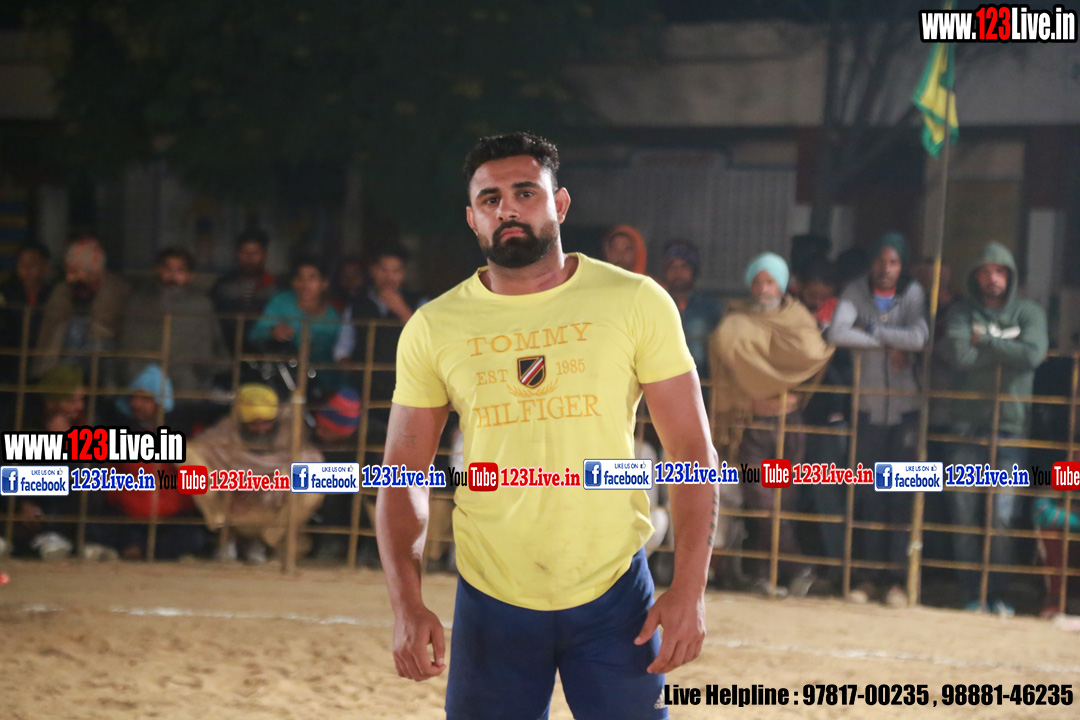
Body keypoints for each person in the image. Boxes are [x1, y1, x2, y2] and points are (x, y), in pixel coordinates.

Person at [377, 132, 719, 720]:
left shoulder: (635, 301)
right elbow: (403, 473)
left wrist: (689, 589)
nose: (507, 209)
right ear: (472, 218)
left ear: (559, 204)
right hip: (492, 598)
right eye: (490, 200)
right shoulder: (435, 327)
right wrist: (406, 605)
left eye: (525, 193)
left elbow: (691, 450)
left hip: (615, 594)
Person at [709, 253, 833, 597]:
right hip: (751, 427)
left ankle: (766, 575)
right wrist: (750, 399)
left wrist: (786, 392)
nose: (763, 289)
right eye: (757, 282)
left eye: (770, 282)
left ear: (782, 285)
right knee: (762, 501)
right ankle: (800, 568)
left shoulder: (798, 320)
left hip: (788, 426)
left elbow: (811, 354)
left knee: (782, 503)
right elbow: (724, 363)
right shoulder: (735, 322)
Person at [942, 242, 1048, 615]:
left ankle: (998, 593)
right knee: (964, 513)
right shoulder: (960, 312)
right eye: (986, 271)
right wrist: (1007, 349)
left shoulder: (1029, 312)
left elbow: (1033, 355)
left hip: (1011, 427)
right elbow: (960, 356)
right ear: (975, 277)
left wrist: (985, 341)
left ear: (1010, 275)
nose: (993, 278)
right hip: (966, 426)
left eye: (1000, 271)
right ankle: (973, 594)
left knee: (1001, 516)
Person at [827, 232, 928, 608]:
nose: (886, 269)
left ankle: (898, 581)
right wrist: (890, 343)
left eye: (894, 262)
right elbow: (836, 333)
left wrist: (871, 331)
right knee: (867, 494)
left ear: (903, 265)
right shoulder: (855, 291)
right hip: (867, 409)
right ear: (871, 263)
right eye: (880, 261)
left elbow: (919, 338)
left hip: (906, 411)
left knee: (902, 497)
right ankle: (867, 578)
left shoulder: (913, 293)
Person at [188, 383, 324, 564]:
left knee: (314, 488)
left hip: (275, 514)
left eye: (266, 422)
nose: (261, 428)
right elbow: (192, 452)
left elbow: (311, 459)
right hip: (235, 510)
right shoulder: (225, 433)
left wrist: (276, 481)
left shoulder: (291, 430)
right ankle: (225, 534)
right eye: (254, 423)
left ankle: (265, 543)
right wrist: (225, 484)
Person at [118, 247, 228, 397]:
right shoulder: (139, 301)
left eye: (180, 270)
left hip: (187, 376)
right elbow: (129, 342)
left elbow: (209, 343)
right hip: (144, 374)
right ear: (158, 269)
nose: (173, 275)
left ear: (190, 275)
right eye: (168, 269)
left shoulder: (200, 305)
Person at [34, 236, 130, 378]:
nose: (69, 278)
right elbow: (49, 333)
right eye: (68, 272)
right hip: (63, 363)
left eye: (75, 271)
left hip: (105, 361)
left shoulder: (117, 290)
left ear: (93, 270)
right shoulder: (62, 291)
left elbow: (119, 333)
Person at [210, 228, 279, 353]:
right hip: (227, 349)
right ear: (237, 254)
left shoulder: (275, 286)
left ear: (265, 255)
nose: (250, 257)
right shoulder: (223, 286)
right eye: (245, 252)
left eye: (255, 253)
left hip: (265, 351)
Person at [660, 240, 721, 378]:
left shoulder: (711, 308)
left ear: (694, 270)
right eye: (672, 266)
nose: (678, 272)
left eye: (684, 266)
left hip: (702, 384)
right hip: (664, 380)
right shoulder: (657, 305)